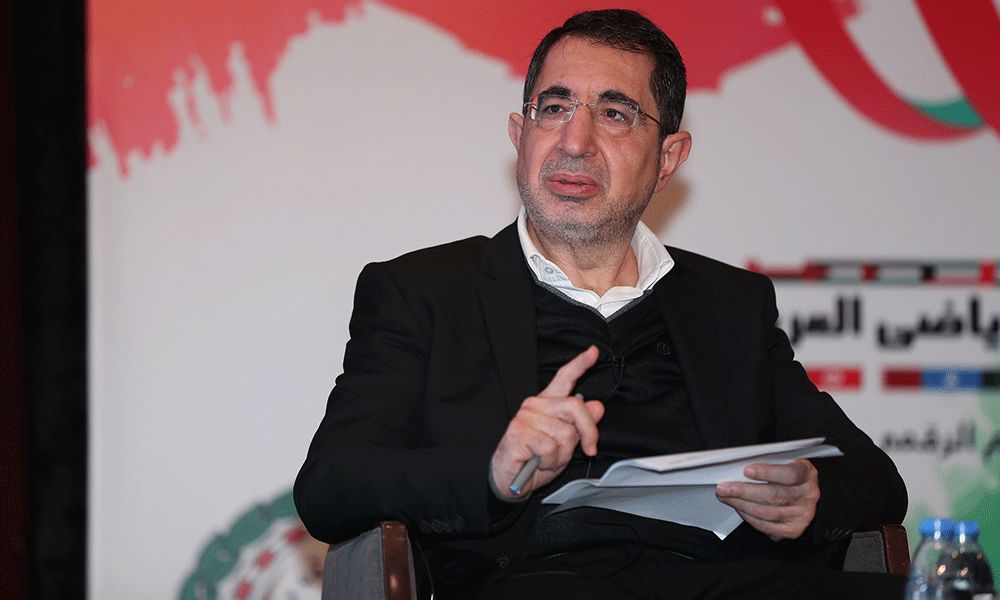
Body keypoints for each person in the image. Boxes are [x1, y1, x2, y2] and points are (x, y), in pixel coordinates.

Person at [294, 9, 907, 599]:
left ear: (668, 158)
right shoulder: (426, 291)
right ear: (519, 135)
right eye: (554, 108)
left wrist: (811, 495)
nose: (575, 141)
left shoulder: (729, 304)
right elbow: (330, 484)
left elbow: (873, 476)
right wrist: (492, 471)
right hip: (530, 581)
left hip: (722, 579)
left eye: (615, 114)